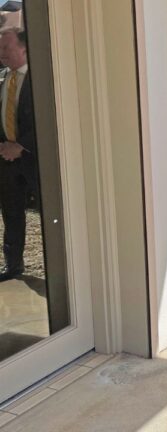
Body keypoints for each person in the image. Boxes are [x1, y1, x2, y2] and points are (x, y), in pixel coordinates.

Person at [0, 27, 36, 282]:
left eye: (6, 48)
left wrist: (21, 145)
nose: (1, 53)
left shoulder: (42, 80)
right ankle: (13, 267)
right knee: (12, 214)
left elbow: (50, 120)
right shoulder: (3, 80)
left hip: (36, 161)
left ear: (24, 48)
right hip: (7, 162)